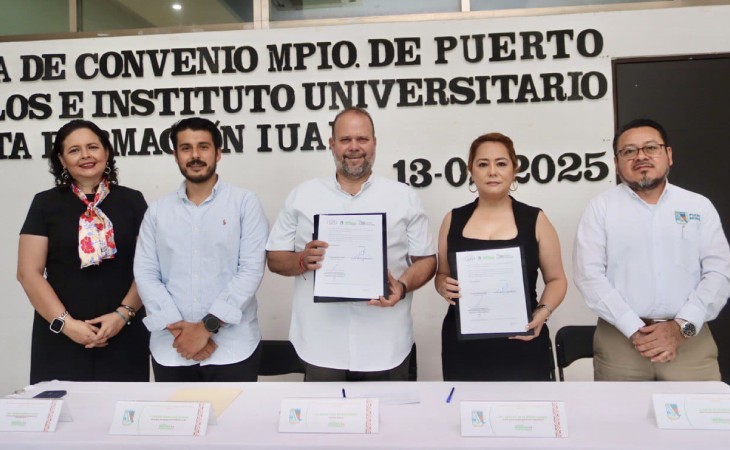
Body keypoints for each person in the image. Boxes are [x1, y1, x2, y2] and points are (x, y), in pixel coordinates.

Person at [266, 107, 436, 382]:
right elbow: (274, 258)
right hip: (320, 344)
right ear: (331, 144)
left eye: (362, 139)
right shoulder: (302, 196)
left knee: (389, 411)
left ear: (374, 143)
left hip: (386, 344)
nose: (354, 147)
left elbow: (427, 260)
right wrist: (300, 260)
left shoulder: (403, 197)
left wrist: (402, 286)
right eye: (345, 140)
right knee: (324, 411)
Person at [574, 118, 730, 381]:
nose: (641, 156)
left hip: (690, 342)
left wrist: (680, 329)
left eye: (651, 147)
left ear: (668, 154)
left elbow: (720, 275)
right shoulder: (600, 208)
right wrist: (632, 328)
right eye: (629, 151)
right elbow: (588, 276)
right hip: (620, 343)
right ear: (616, 163)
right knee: (618, 410)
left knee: (701, 409)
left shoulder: (698, 206)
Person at [134, 117, 268, 382]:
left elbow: (251, 271)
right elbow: (146, 273)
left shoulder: (244, 203)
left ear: (218, 153)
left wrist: (207, 327)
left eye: (203, 147)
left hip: (234, 349)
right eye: (186, 148)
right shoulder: (158, 211)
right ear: (176, 155)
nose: (195, 155)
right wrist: (182, 333)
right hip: (172, 349)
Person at [17, 119, 150, 384]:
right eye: (74, 150)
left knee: (122, 407)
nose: (86, 155)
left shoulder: (132, 201)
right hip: (60, 333)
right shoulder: (45, 203)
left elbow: (149, 268)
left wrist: (122, 315)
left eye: (93, 147)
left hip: (124, 331)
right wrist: (67, 325)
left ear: (106, 152)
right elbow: (28, 273)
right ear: (62, 160)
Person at [435, 132, 567, 381]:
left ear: (514, 169)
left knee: (526, 406)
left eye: (501, 163)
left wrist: (543, 312)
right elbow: (442, 274)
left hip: (523, 338)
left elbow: (557, 279)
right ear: (470, 171)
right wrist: (442, 284)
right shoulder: (452, 219)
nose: (492, 172)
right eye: (483, 164)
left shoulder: (536, 219)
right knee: (465, 404)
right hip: (464, 345)